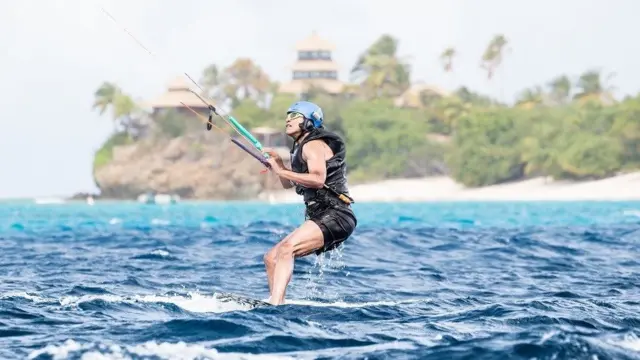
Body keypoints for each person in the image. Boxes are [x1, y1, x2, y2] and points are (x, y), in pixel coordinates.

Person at [261, 101, 357, 306]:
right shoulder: (299, 149)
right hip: (321, 215)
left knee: (287, 249)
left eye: (294, 115)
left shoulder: (313, 145)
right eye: (287, 115)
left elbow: (317, 179)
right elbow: (288, 183)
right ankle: (276, 303)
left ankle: (276, 303)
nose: (288, 119)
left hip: (337, 214)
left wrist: (281, 171)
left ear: (309, 120)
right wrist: (279, 164)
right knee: (271, 258)